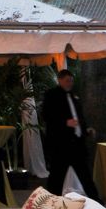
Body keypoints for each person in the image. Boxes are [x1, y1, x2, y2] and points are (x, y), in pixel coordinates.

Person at [42, 69, 100, 199]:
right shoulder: (51, 95)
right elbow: (46, 116)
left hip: (77, 144)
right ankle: (51, 204)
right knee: (56, 178)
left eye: (71, 81)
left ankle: (98, 203)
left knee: (86, 177)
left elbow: (78, 117)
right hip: (60, 145)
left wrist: (85, 130)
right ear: (60, 80)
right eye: (67, 81)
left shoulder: (73, 96)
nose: (70, 83)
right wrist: (64, 122)